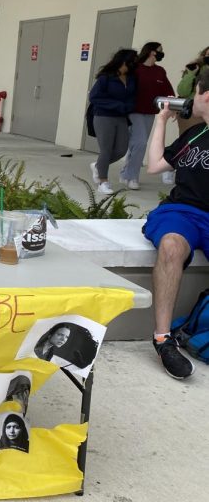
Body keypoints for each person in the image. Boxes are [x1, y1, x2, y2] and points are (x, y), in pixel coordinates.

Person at [142, 67, 209, 380]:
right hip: (181, 211)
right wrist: (160, 121)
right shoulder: (194, 133)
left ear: (204, 95)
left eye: (194, 92)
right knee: (171, 245)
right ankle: (162, 339)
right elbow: (155, 165)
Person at [120, 42, 174, 190]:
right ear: (152, 52)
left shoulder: (160, 71)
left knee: (136, 144)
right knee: (141, 143)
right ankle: (132, 177)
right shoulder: (135, 69)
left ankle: (125, 173)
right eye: (160, 51)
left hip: (150, 113)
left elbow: (168, 90)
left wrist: (174, 105)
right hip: (134, 111)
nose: (162, 53)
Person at [88, 48, 137, 195]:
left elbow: (132, 97)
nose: (135, 64)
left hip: (121, 117)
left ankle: (97, 166)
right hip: (103, 116)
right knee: (106, 149)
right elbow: (94, 97)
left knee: (121, 149)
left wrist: (128, 106)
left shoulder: (131, 78)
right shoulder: (106, 77)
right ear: (123, 61)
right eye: (132, 61)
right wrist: (117, 105)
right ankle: (103, 181)